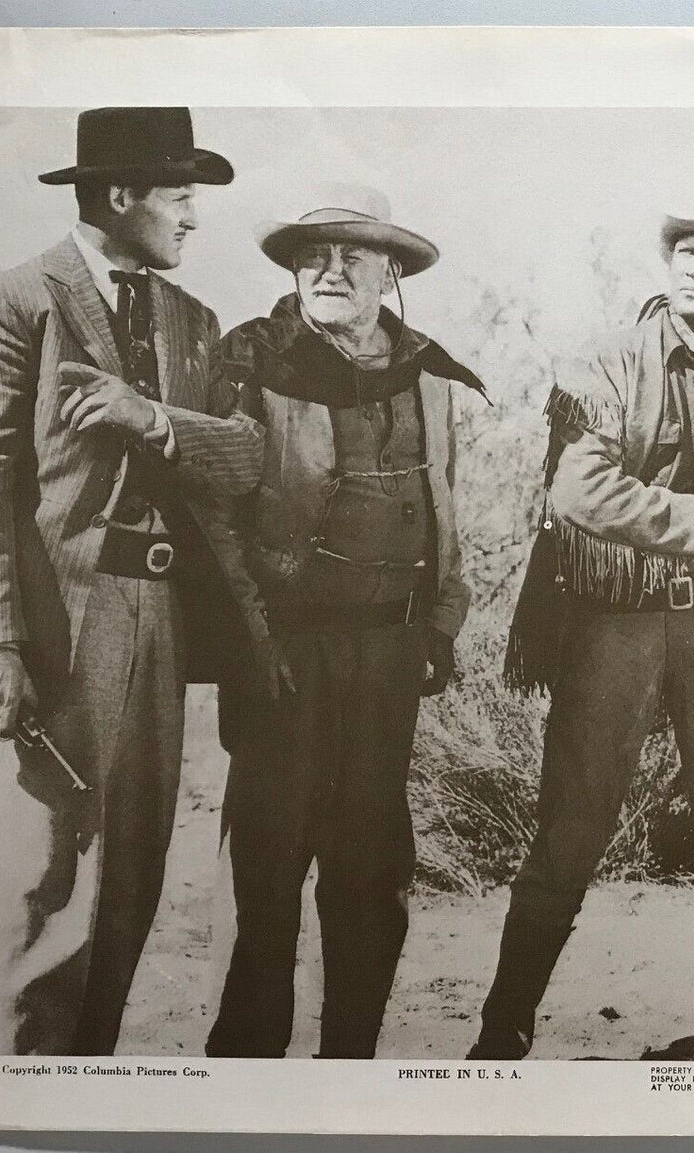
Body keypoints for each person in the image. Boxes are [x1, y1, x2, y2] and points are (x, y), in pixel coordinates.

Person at [0, 106, 264, 1055]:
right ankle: (15, 1086)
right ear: (120, 196)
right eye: (180, 197)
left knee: (132, 879)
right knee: (46, 872)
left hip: (162, 617)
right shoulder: (5, 303)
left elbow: (245, 457)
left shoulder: (194, 323)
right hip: (59, 628)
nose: (193, 217)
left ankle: (88, 1079)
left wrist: (151, 417)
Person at [472, 209, 694, 1061]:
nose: (691, 267)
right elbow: (581, 490)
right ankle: (503, 1026)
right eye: (682, 252)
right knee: (572, 825)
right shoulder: (609, 359)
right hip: (612, 622)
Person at [204, 184, 487, 1059]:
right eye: (312, 257)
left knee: (371, 867)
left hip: (390, 650)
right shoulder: (253, 358)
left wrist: (439, 623)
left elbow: (444, 501)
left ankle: (348, 1065)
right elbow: (217, 515)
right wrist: (251, 639)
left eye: (351, 257)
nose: (328, 273)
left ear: (389, 271)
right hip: (286, 653)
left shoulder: (425, 371)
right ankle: (247, 1073)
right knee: (266, 865)